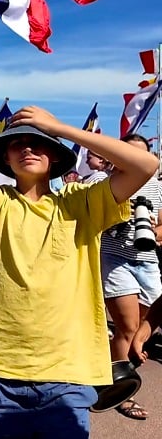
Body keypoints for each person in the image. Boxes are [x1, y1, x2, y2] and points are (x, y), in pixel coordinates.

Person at [0, 42, 158, 438]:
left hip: (68, 376)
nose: (28, 147)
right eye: (19, 142)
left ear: (56, 156)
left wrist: (59, 127)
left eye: (39, 142)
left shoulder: (82, 201)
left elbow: (146, 164)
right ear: (5, 157)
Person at [99, 133, 162, 420]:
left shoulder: (157, 188)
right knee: (126, 327)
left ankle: (112, 365)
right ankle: (123, 392)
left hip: (147, 262)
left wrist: (152, 231)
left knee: (141, 330)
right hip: (115, 258)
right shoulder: (105, 184)